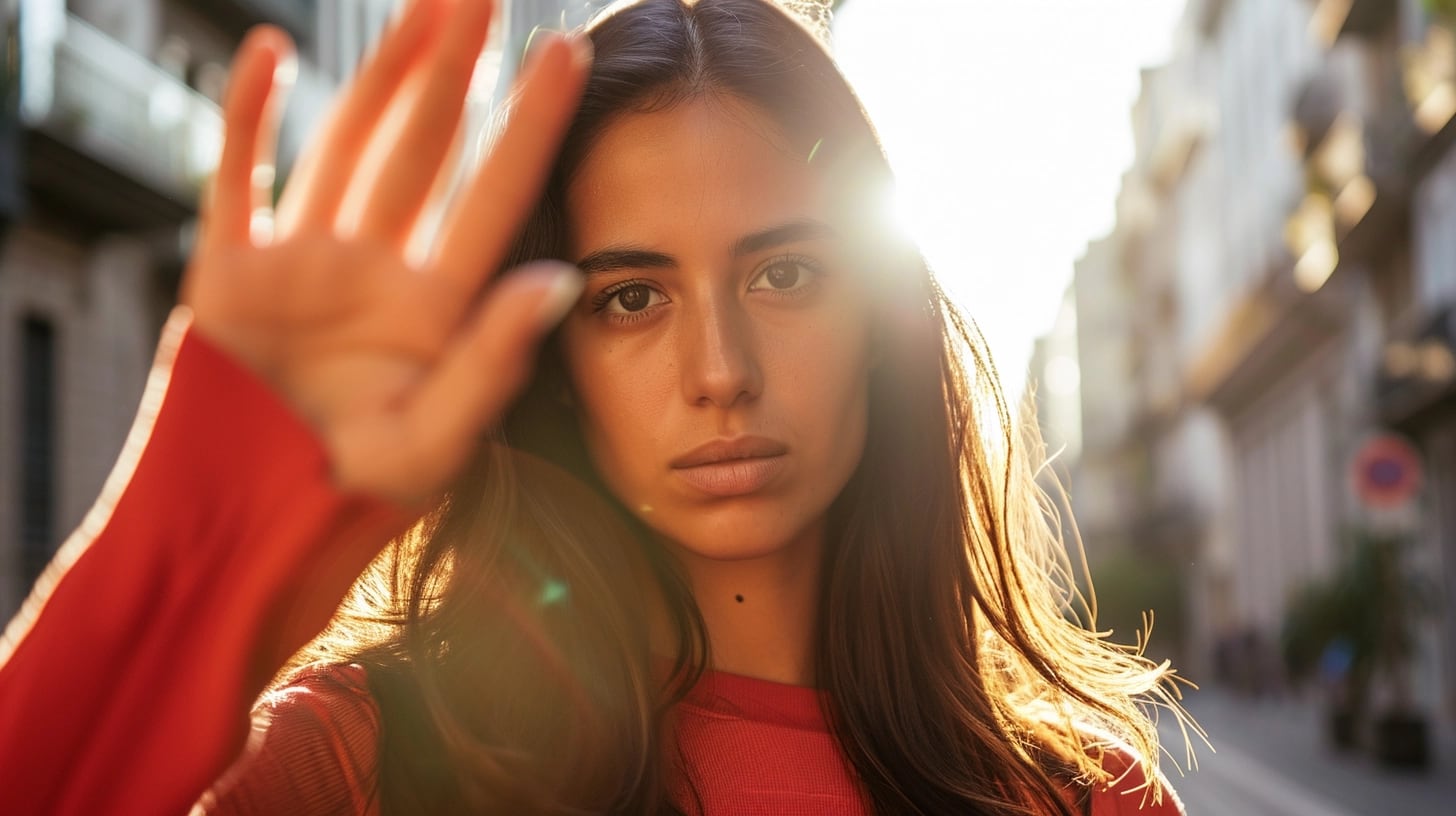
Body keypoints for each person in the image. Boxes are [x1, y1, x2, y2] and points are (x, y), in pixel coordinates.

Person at [0, 0, 1191, 813]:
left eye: (784, 275)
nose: (719, 369)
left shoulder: (1079, 796)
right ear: (550, 359)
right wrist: (186, 565)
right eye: (629, 296)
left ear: (879, 314)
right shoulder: (361, 762)